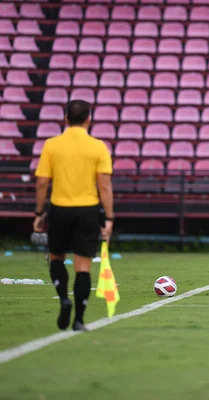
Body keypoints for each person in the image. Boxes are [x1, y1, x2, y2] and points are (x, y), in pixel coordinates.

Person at [33, 100, 114, 331]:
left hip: (59, 208)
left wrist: (39, 212)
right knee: (83, 267)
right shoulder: (98, 147)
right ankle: (79, 319)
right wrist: (108, 218)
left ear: (65, 119)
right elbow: (105, 186)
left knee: (57, 258)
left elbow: (41, 182)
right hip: (87, 210)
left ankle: (63, 299)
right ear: (89, 119)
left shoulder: (52, 145)